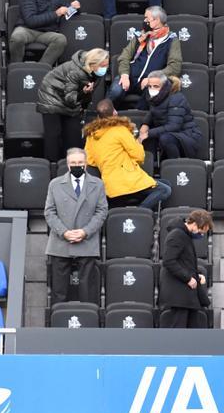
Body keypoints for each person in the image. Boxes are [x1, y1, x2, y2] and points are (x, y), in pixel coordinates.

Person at [44, 148, 107, 306]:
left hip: (87, 241)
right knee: (59, 291)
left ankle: (89, 322)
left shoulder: (97, 184)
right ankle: (58, 324)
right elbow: (49, 212)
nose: (77, 165)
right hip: (60, 242)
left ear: (86, 163)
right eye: (73, 163)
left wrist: (86, 231)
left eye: (80, 162)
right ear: (67, 163)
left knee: (88, 291)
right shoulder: (55, 184)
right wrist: (64, 232)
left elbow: (102, 211)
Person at [84, 99, 172, 209]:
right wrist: (138, 141)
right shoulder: (120, 130)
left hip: (110, 186)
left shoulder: (91, 135)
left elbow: (90, 160)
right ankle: (139, 212)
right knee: (165, 190)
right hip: (128, 182)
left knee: (165, 182)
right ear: (115, 112)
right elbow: (139, 156)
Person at [36, 48, 108, 161]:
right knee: (53, 135)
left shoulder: (95, 74)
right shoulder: (76, 71)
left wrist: (84, 98)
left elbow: (83, 97)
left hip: (69, 100)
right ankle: (52, 167)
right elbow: (70, 98)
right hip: (51, 96)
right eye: (102, 66)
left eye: (106, 65)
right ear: (93, 64)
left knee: (73, 136)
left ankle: (69, 164)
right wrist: (84, 93)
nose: (105, 69)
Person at [108, 7, 182, 106]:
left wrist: (153, 78)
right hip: (129, 76)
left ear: (157, 20)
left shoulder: (171, 39)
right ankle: (104, 118)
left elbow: (175, 67)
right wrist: (124, 75)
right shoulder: (140, 35)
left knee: (150, 98)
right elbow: (124, 56)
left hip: (150, 81)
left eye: (147, 18)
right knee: (115, 91)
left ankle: (138, 119)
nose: (144, 21)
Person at [10, 0, 75, 65]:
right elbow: (31, 21)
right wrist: (56, 14)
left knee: (60, 39)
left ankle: (42, 68)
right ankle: (15, 66)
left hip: (46, 32)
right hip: (27, 30)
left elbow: (67, 7)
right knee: (17, 37)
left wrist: (74, 7)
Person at [159, 209, 212, 329]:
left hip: (186, 296)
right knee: (179, 332)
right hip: (179, 296)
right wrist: (188, 278)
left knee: (191, 332)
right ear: (194, 224)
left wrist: (196, 275)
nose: (201, 234)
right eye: (201, 230)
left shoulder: (185, 236)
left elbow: (184, 262)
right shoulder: (177, 235)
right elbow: (168, 261)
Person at [137, 71, 202, 162]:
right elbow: (154, 111)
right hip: (170, 132)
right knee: (145, 137)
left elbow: (174, 126)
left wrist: (148, 133)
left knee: (164, 138)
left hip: (187, 135)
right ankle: (154, 167)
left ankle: (176, 164)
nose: (152, 89)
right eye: (150, 86)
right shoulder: (155, 96)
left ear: (164, 86)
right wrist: (145, 124)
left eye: (156, 86)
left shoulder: (177, 98)